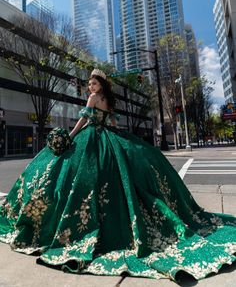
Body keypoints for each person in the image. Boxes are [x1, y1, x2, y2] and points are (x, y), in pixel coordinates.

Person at [0, 68, 236, 282]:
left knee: (67, 173)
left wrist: (70, 136)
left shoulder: (93, 99)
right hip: (109, 136)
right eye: (89, 84)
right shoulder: (107, 100)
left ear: (100, 84)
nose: (90, 88)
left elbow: (83, 119)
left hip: (92, 137)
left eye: (93, 83)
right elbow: (113, 120)